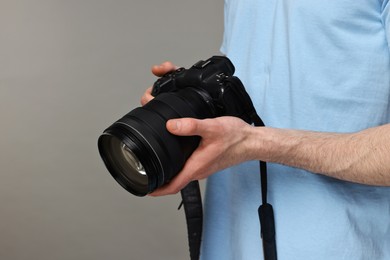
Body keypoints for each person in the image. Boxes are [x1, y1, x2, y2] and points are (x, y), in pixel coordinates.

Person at [141, 1, 390, 259]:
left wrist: (257, 143)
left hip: (337, 247)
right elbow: (258, 71)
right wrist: (189, 101)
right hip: (226, 243)